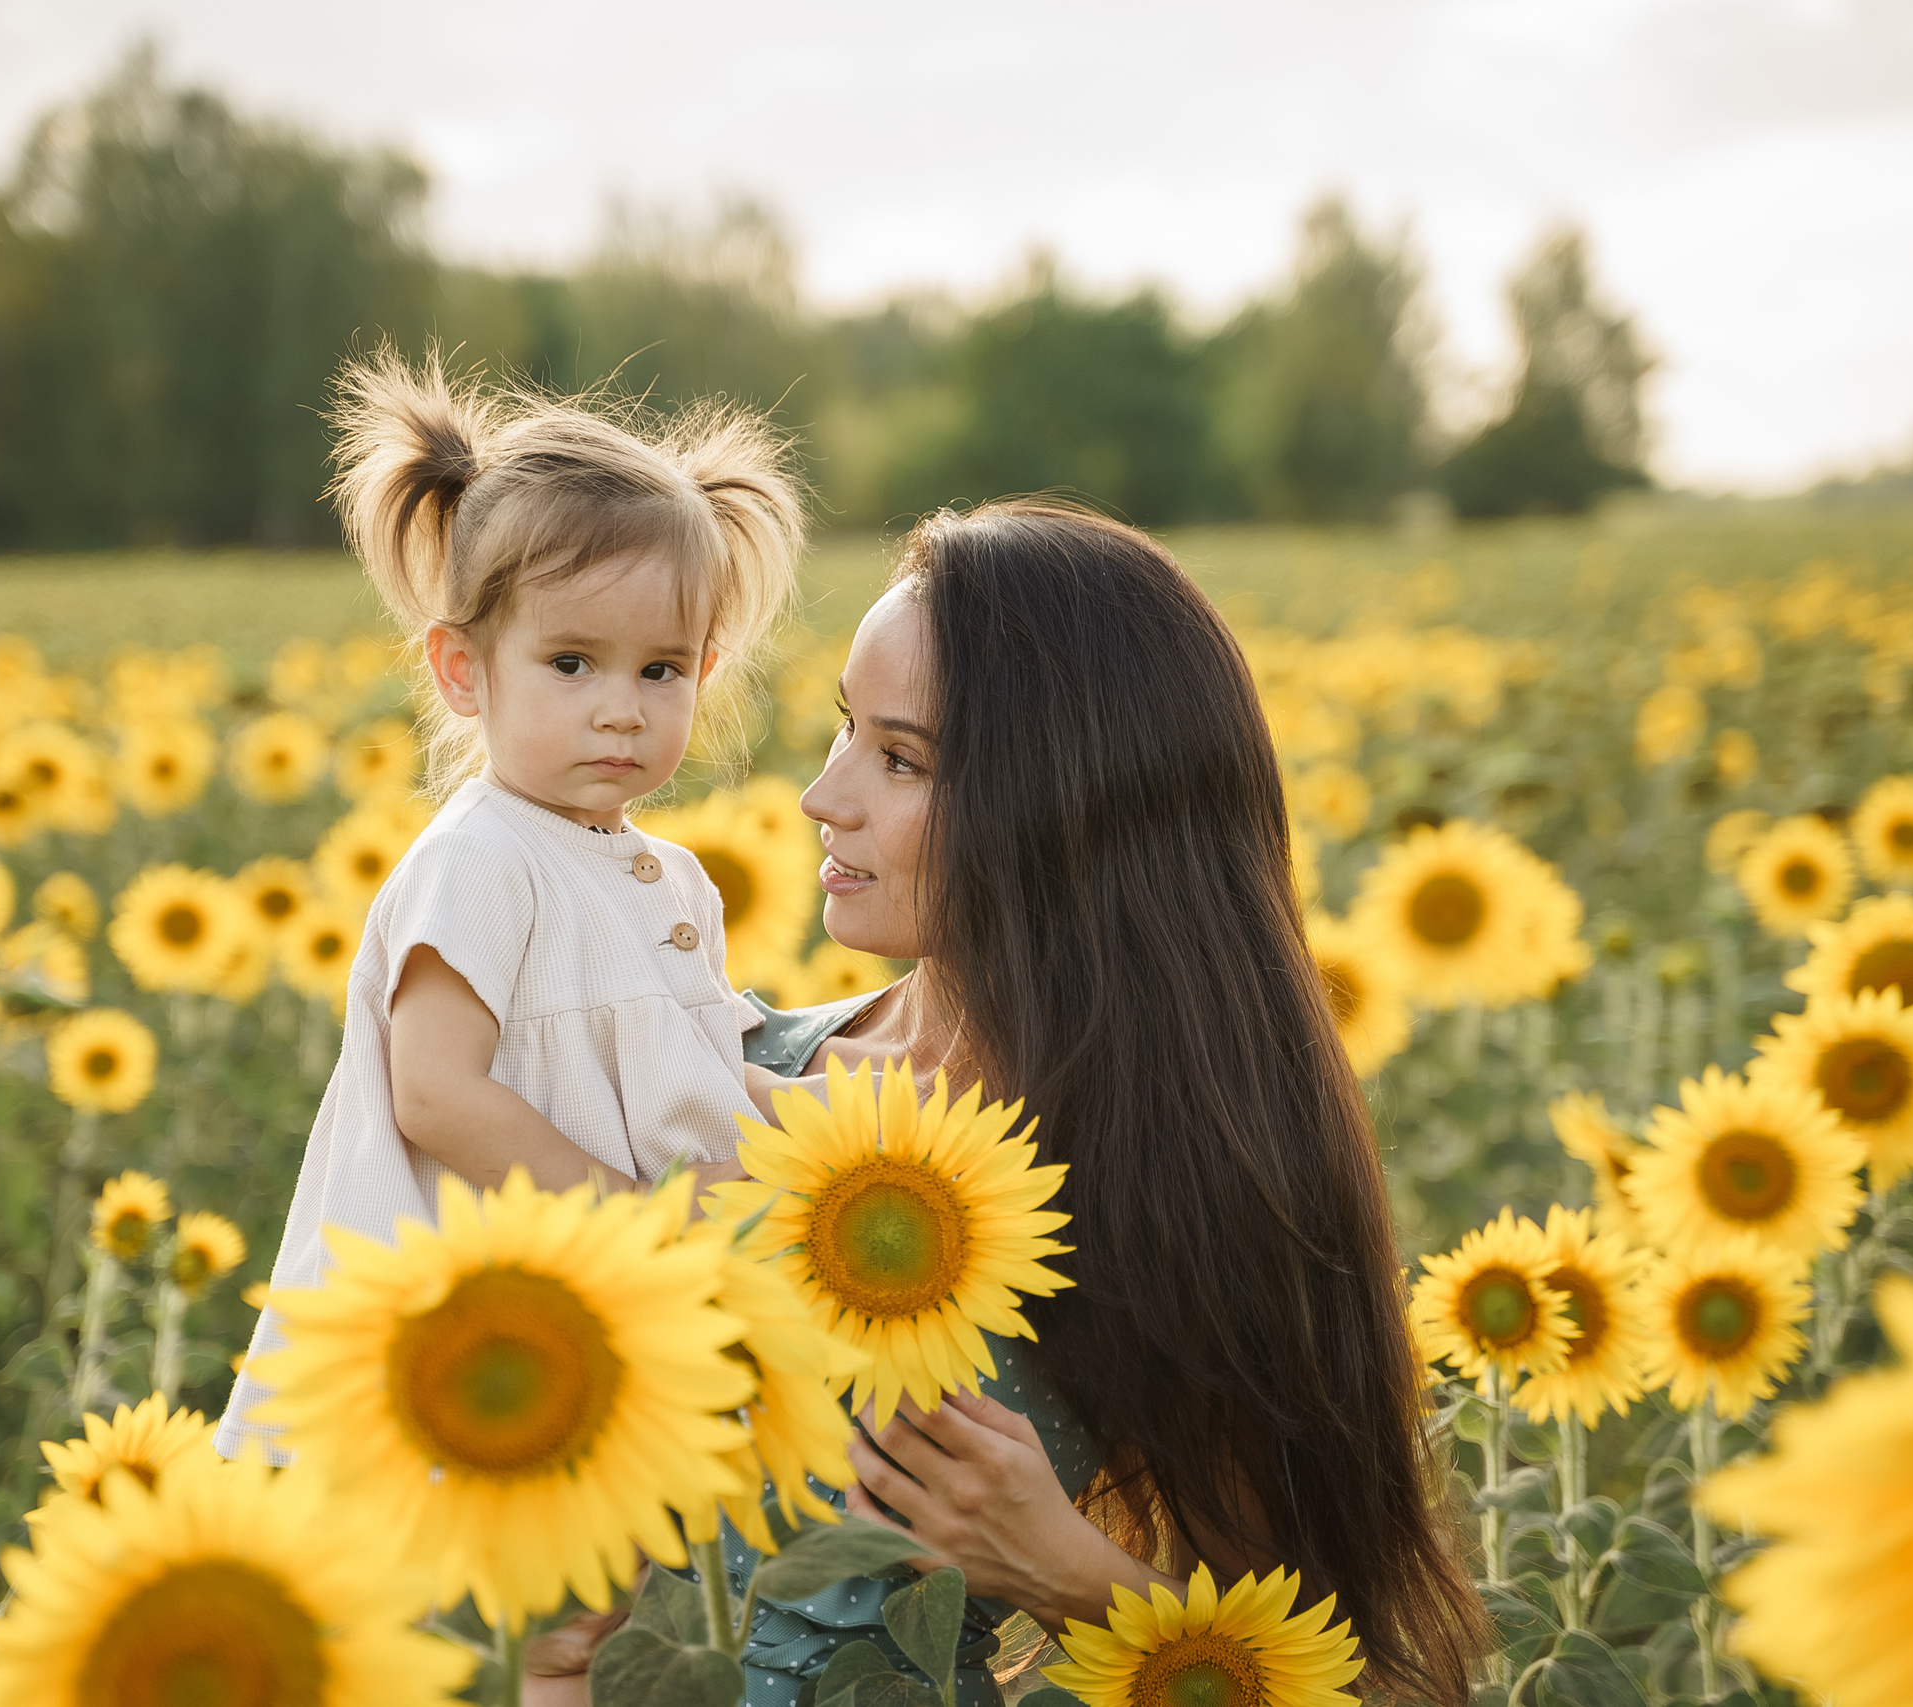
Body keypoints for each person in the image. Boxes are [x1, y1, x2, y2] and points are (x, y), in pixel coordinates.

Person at [543, 501, 1487, 1706]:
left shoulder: (1159, 1173)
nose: (821, 798)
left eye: (901, 758)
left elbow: (1361, 1676)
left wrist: (1066, 1573)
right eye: (844, 730)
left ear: (1066, 810)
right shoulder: (726, 1074)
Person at [213, 353, 803, 1463]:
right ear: (462, 672)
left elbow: (677, 1069)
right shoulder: (480, 859)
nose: (620, 710)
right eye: (572, 663)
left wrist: (819, 1118)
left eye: (661, 671)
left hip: (564, 1343)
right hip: (433, 1358)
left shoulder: (668, 879)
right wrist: (631, 1223)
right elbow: (435, 1093)